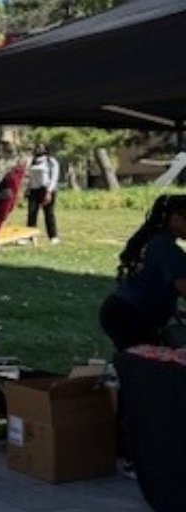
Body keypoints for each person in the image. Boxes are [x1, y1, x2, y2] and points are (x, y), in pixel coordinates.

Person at [99, 194, 186, 480]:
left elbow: (153, 286)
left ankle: (121, 446)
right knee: (146, 383)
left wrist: (173, 313)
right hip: (131, 318)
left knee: (137, 380)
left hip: (120, 312)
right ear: (175, 219)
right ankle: (136, 457)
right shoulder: (168, 250)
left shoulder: (152, 241)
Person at [26, 145, 60, 244]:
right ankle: (29, 237)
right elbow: (29, 176)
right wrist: (27, 188)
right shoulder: (32, 161)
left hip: (46, 189)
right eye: (37, 147)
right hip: (33, 190)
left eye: (41, 147)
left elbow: (54, 177)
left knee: (49, 214)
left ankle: (53, 236)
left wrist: (49, 191)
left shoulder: (51, 161)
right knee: (32, 214)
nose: (38, 149)